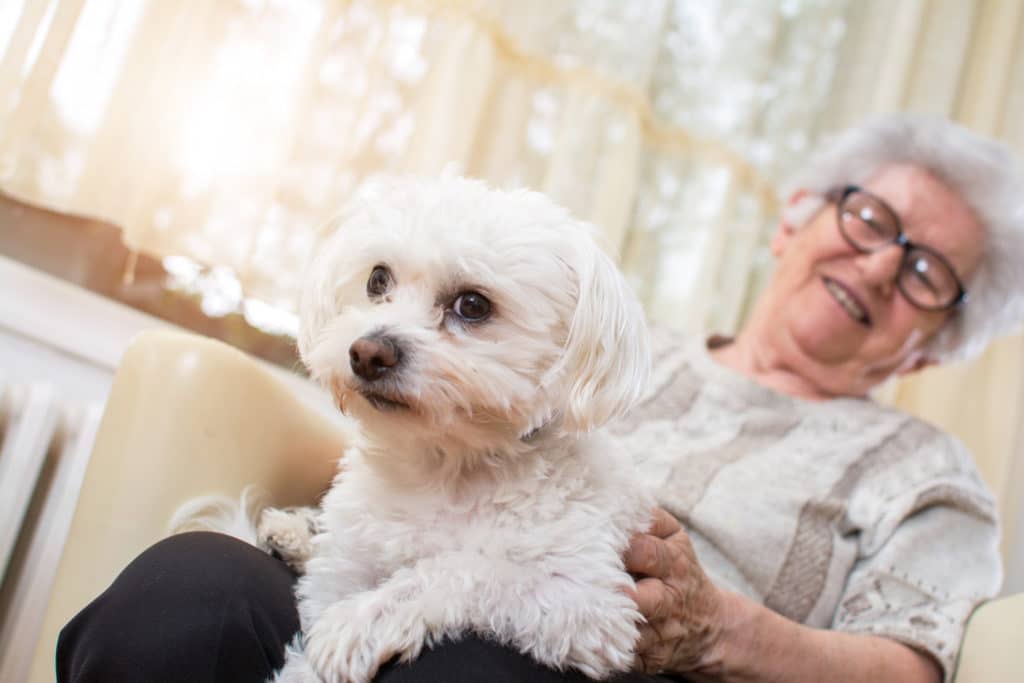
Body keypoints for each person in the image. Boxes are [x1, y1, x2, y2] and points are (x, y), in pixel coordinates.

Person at [57, 113, 1023, 683]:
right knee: (191, 590)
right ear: (793, 221)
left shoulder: (929, 475)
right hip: (404, 580)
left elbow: (913, 667)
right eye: (870, 217)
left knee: (473, 671)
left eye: (929, 270)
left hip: (597, 660)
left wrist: (719, 625)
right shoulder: (592, 337)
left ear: (938, 344)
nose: (883, 263)